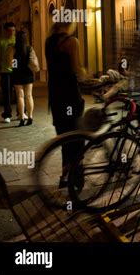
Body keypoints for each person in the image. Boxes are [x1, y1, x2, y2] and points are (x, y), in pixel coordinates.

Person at [45, 21, 86, 187]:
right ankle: (77, 178)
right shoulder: (71, 42)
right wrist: (85, 74)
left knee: (64, 137)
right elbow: (77, 69)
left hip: (55, 97)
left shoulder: (49, 41)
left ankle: (64, 176)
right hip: (70, 96)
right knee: (77, 136)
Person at [11, 30, 38, 126]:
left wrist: (15, 69)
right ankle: (30, 116)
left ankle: (22, 117)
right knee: (29, 95)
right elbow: (33, 62)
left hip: (17, 75)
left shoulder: (13, 49)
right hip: (28, 74)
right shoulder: (29, 48)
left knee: (20, 97)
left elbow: (12, 63)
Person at [0, 22, 16, 123]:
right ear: (5, 31)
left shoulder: (17, 40)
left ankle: (21, 113)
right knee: (7, 94)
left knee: (19, 94)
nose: (12, 33)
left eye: (13, 30)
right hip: (5, 72)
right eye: (9, 31)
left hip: (17, 72)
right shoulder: (1, 41)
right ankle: (7, 115)